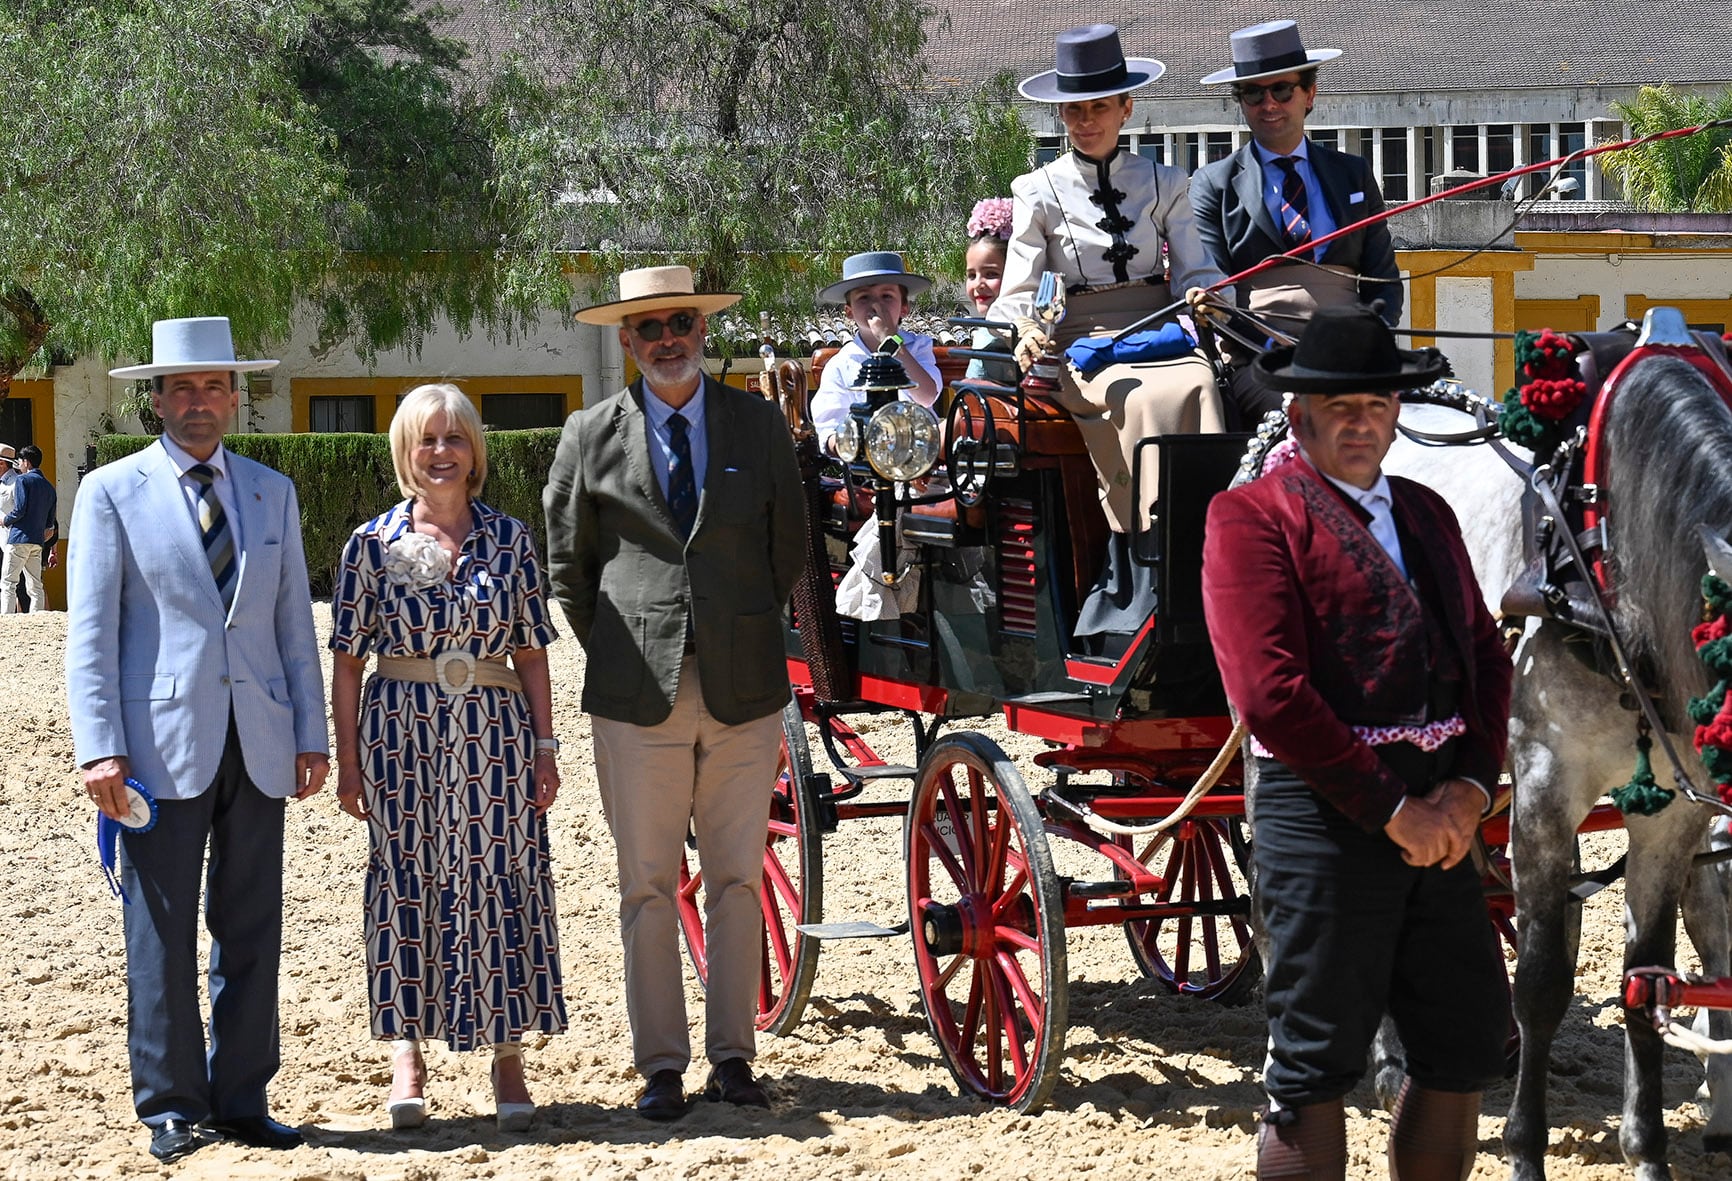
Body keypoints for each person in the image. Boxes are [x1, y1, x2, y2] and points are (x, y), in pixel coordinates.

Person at [1200, 305, 1513, 1180]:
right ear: (1300, 417)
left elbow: (1487, 656)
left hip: (1443, 817)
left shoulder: (1426, 510)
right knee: (1316, 1063)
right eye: (1340, 407)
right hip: (1323, 814)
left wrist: (1470, 789)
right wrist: (1390, 808)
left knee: (1464, 1039)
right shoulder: (1251, 518)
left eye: (1375, 405)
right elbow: (1270, 693)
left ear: (1397, 413)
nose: (1361, 422)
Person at [544, 265, 805, 1121]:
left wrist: (733, 623)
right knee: (646, 883)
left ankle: (734, 1057)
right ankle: (660, 1064)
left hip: (744, 683)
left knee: (735, 879)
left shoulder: (757, 424)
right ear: (625, 340)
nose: (667, 339)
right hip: (633, 693)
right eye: (648, 327)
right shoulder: (589, 433)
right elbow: (568, 568)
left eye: (681, 322)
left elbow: (787, 551)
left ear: (702, 329)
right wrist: (630, 640)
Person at [67, 317, 329, 1163]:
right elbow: (92, 633)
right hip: (152, 748)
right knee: (162, 930)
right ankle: (172, 1105)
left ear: (235, 395)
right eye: (182, 387)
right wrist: (99, 745)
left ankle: (244, 1095)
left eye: (214, 386)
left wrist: (310, 733)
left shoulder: (270, 492)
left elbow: (295, 626)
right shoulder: (111, 492)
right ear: (155, 399)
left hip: (258, 740)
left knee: (252, 924)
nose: (199, 401)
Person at [330, 384, 566, 1133]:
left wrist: (546, 749)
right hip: (400, 735)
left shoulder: (512, 539)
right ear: (405, 452)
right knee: (406, 880)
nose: (440, 452)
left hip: (496, 735)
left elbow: (531, 654)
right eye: (426, 440)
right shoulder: (369, 544)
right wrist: (347, 760)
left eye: (454, 438)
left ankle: (507, 1054)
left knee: (502, 876)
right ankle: (407, 1051)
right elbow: (345, 663)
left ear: (475, 451)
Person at [990, 23, 1227, 643]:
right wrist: (1024, 331)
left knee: (1202, 383)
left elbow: (1197, 270)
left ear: (1127, 107)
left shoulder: (1168, 183)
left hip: (1161, 333)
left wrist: (1204, 296)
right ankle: (1144, 569)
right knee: (1139, 395)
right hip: (1080, 345)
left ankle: (1208, 550)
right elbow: (1017, 295)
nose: (1086, 120)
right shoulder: (1034, 192)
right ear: (1061, 113)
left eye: (1100, 106)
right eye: (1074, 109)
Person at [1190, 20, 1404, 426]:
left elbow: (1383, 279)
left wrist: (1362, 341)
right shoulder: (1212, 183)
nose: (1269, 103)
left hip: (1352, 352)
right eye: (1253, 93)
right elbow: (1216, 289)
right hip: (1260, 357)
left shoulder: (1353, 173)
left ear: (1309, 94)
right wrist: (1275, 346)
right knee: (1316, 418)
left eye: (1282, 90)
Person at [809, 251, 944, 455]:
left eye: (887, 296)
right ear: (849, 311)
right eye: (864, 298)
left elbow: (926, 396)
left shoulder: (918, 348)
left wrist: (891, 341)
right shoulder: (840, 365)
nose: (875, 306)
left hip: (920, 459)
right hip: (867, 463)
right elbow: (829, 431)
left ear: (904, 307)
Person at [962, 197, 1019, 387]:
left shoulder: (1037, 328)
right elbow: (972, 387)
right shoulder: (983, 334)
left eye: (991, 274)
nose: (979, 284)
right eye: (971, 275)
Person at [2, 445, 58, 612]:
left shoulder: (22, 480)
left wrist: (5, 520)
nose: (18, 464)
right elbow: (50, 523)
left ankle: (6, 617)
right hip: (37, 541)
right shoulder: (49, 487)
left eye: (19, 461)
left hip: (18, 538)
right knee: (35, 586)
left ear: (26, 462)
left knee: (8, 582)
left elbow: (19, 509)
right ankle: (38, 617)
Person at [0, 444, 20, 612]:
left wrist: (5, 520)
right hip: (2, 539)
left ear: (2, 463)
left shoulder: (16, 482)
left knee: (14, 582)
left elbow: (20, 510)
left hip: (11, 539)